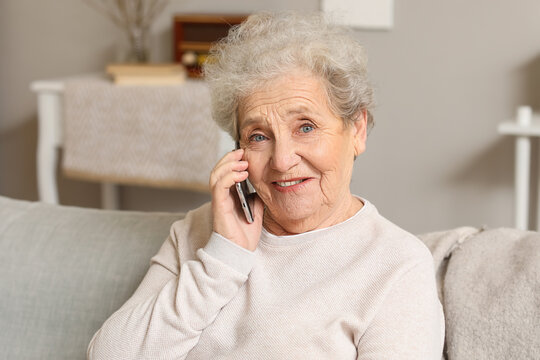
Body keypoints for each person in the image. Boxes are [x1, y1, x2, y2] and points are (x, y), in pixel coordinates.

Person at [87, 11, 444, 359]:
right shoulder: (199, 232)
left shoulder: (396, 266)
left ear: (357, 129)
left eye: (305, 127)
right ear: (239, 151)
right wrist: (223, 258)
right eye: (258, 136)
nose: (282, 160)